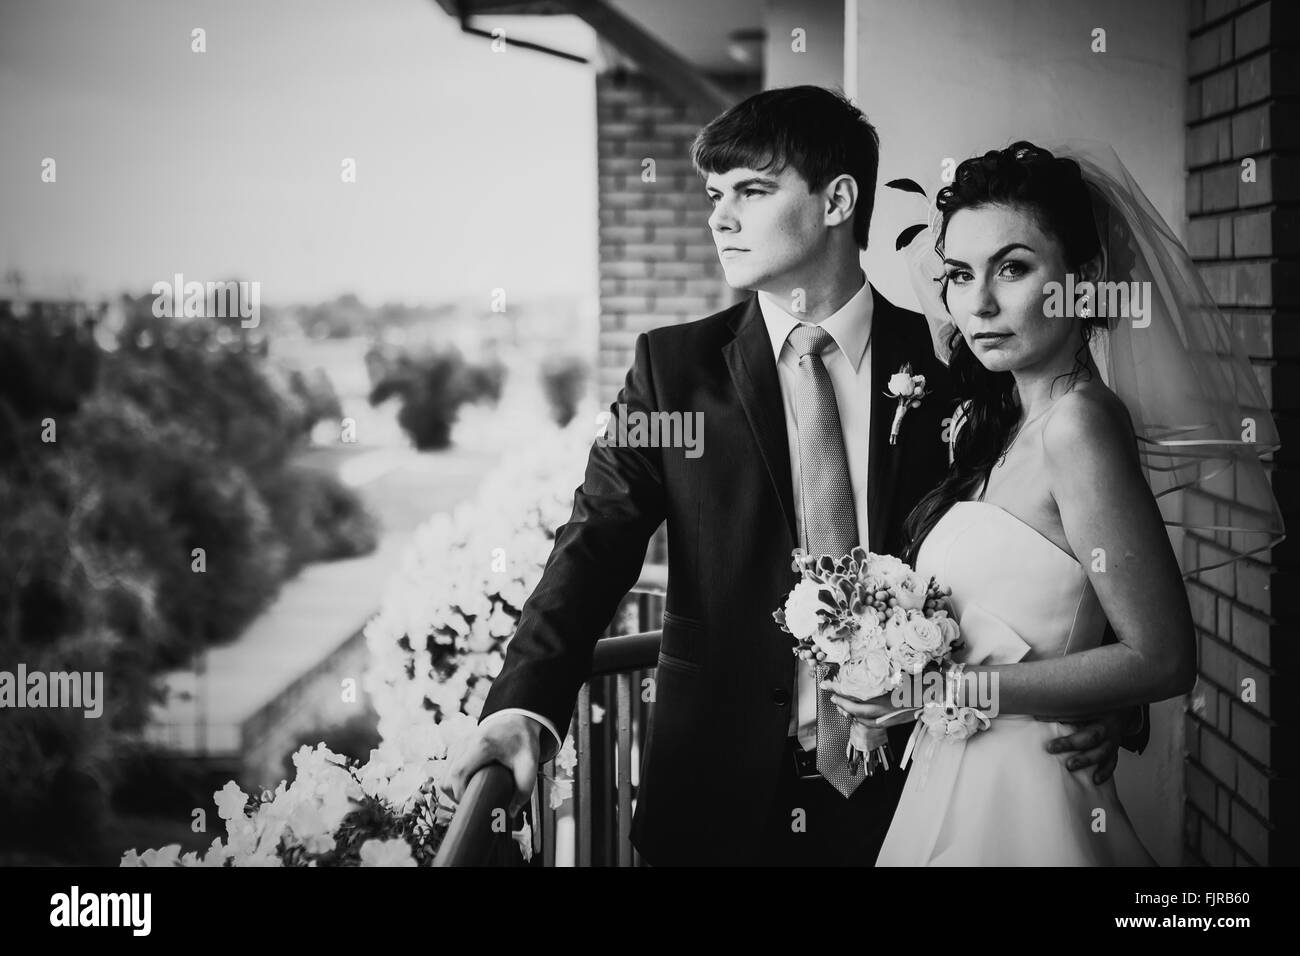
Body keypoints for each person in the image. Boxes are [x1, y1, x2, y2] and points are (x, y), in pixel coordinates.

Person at [441, 92, 1137, 866]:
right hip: (713, 805)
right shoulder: (672, 374)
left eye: (751, 190)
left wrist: (1106, 699)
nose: (719, 218)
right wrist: (523, 708)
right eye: (715, 195)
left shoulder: (956, 364)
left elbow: (1050, 535)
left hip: (914, 791)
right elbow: (592, 544)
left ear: (837, 199)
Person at [826, 141, 1280, 865]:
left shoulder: (1079, 424)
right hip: (960, 778)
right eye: (960, 275)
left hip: (1026, 797)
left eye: (1013, 268)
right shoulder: (999, 425)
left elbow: (1162, 656)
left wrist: (944, 686)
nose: (978, 303)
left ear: (1086, 278)